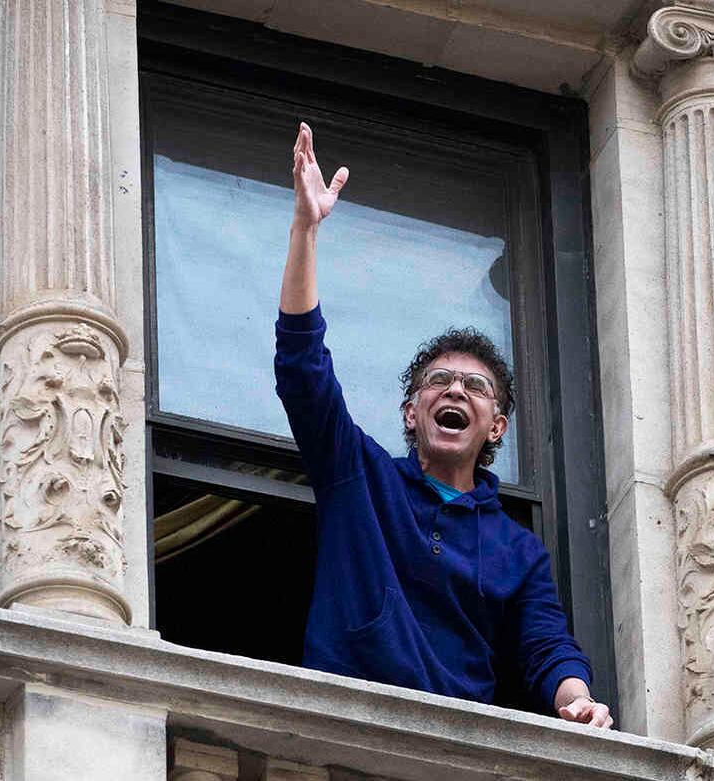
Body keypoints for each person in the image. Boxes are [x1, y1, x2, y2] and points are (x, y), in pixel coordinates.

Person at [275, 122, 612, 728]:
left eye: (474, 387)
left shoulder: (518, 551)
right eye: (437, 382)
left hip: (452, 745)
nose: (454, 389)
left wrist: (576, 698)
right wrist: (305, 230)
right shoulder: (361, 478)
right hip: (340, 726)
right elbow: (304, 372)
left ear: (497, 427)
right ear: (412, 412)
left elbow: (546, 647)